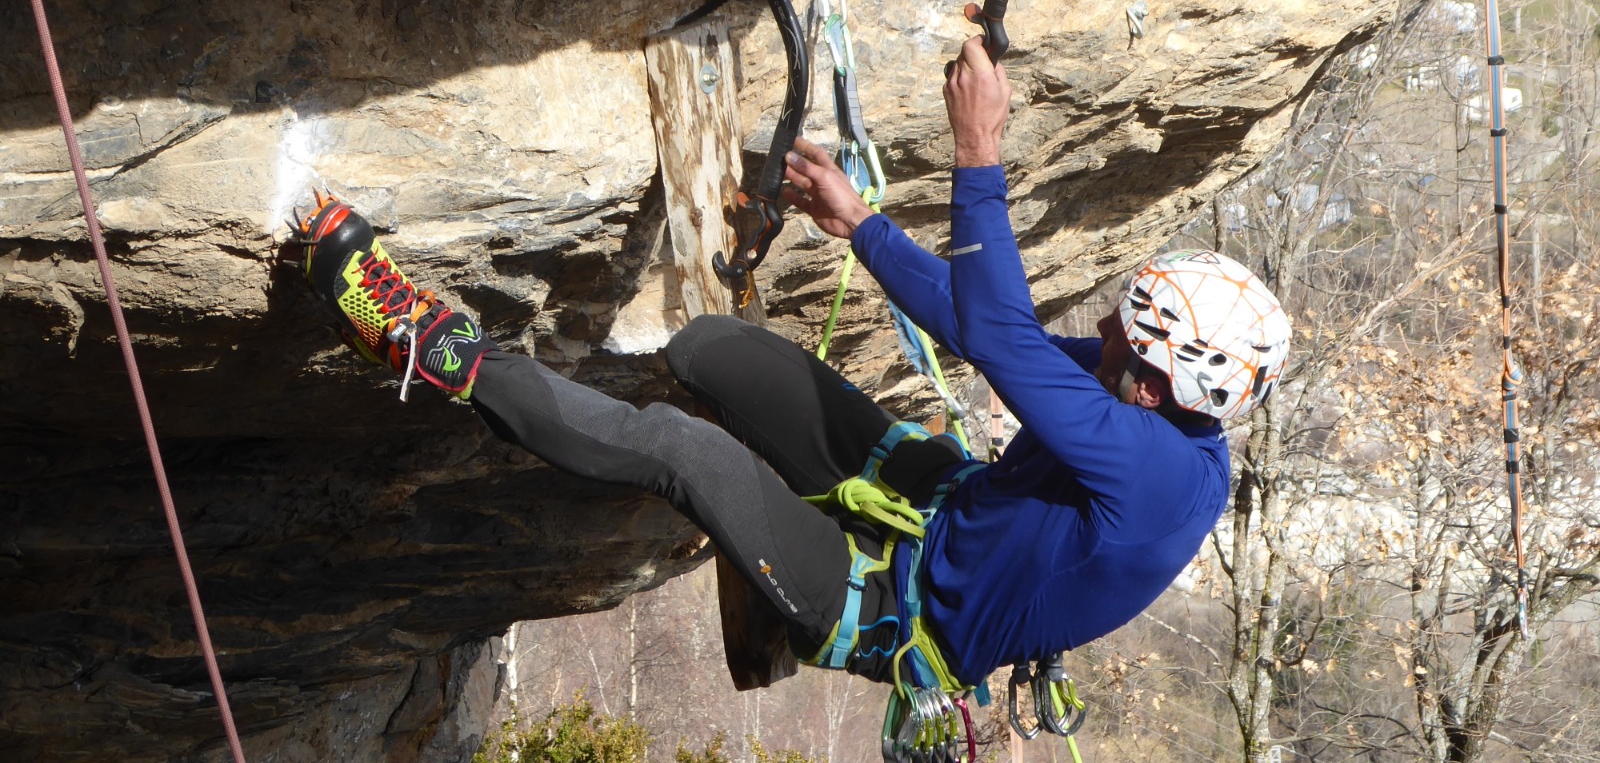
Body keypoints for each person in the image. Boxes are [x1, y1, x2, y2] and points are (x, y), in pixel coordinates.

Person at [291, 35, 1291, 691]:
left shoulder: (1155, 474)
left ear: (1151, 385)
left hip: (894, 610)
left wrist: (977, 147)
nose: (1106, 327)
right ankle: (752, 544)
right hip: (935, 501)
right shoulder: (1152, 402)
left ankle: (417, 337)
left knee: (684, 449)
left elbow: (1002, 340)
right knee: (714, 351)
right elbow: (969, 319)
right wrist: (858, 224)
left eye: (1122, 329)